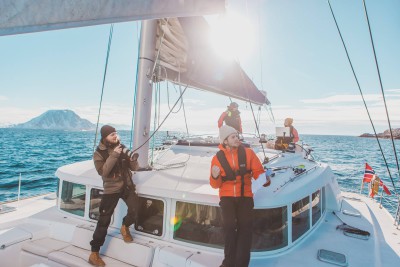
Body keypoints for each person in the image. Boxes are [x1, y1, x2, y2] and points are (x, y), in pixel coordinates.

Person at [210, 125, 267, 267]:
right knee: (229, 227)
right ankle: (228, 262)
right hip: (227, 197)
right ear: (225, 141)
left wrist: (264, 178)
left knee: (245, 228)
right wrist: (214, 176)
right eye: (233, 137)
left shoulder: (248, 153)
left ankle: (241, 264)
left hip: (245, 196)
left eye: (237, 136)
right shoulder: (217, 158)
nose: (237, 139)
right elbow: (215, 185)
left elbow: (258, 171)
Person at [89, 125, 140, 266]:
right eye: (112, 134)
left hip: (126, 186)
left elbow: (135, 168)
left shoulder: (122, 147)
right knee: (104, 221)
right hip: (111, 189)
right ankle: (94, 253)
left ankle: (125, 226)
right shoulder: (98, 153)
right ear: (104, 137)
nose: (115, 136)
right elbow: (103, 172)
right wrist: (115, 155)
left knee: (136, 209)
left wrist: (132, 158)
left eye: (116, 133)